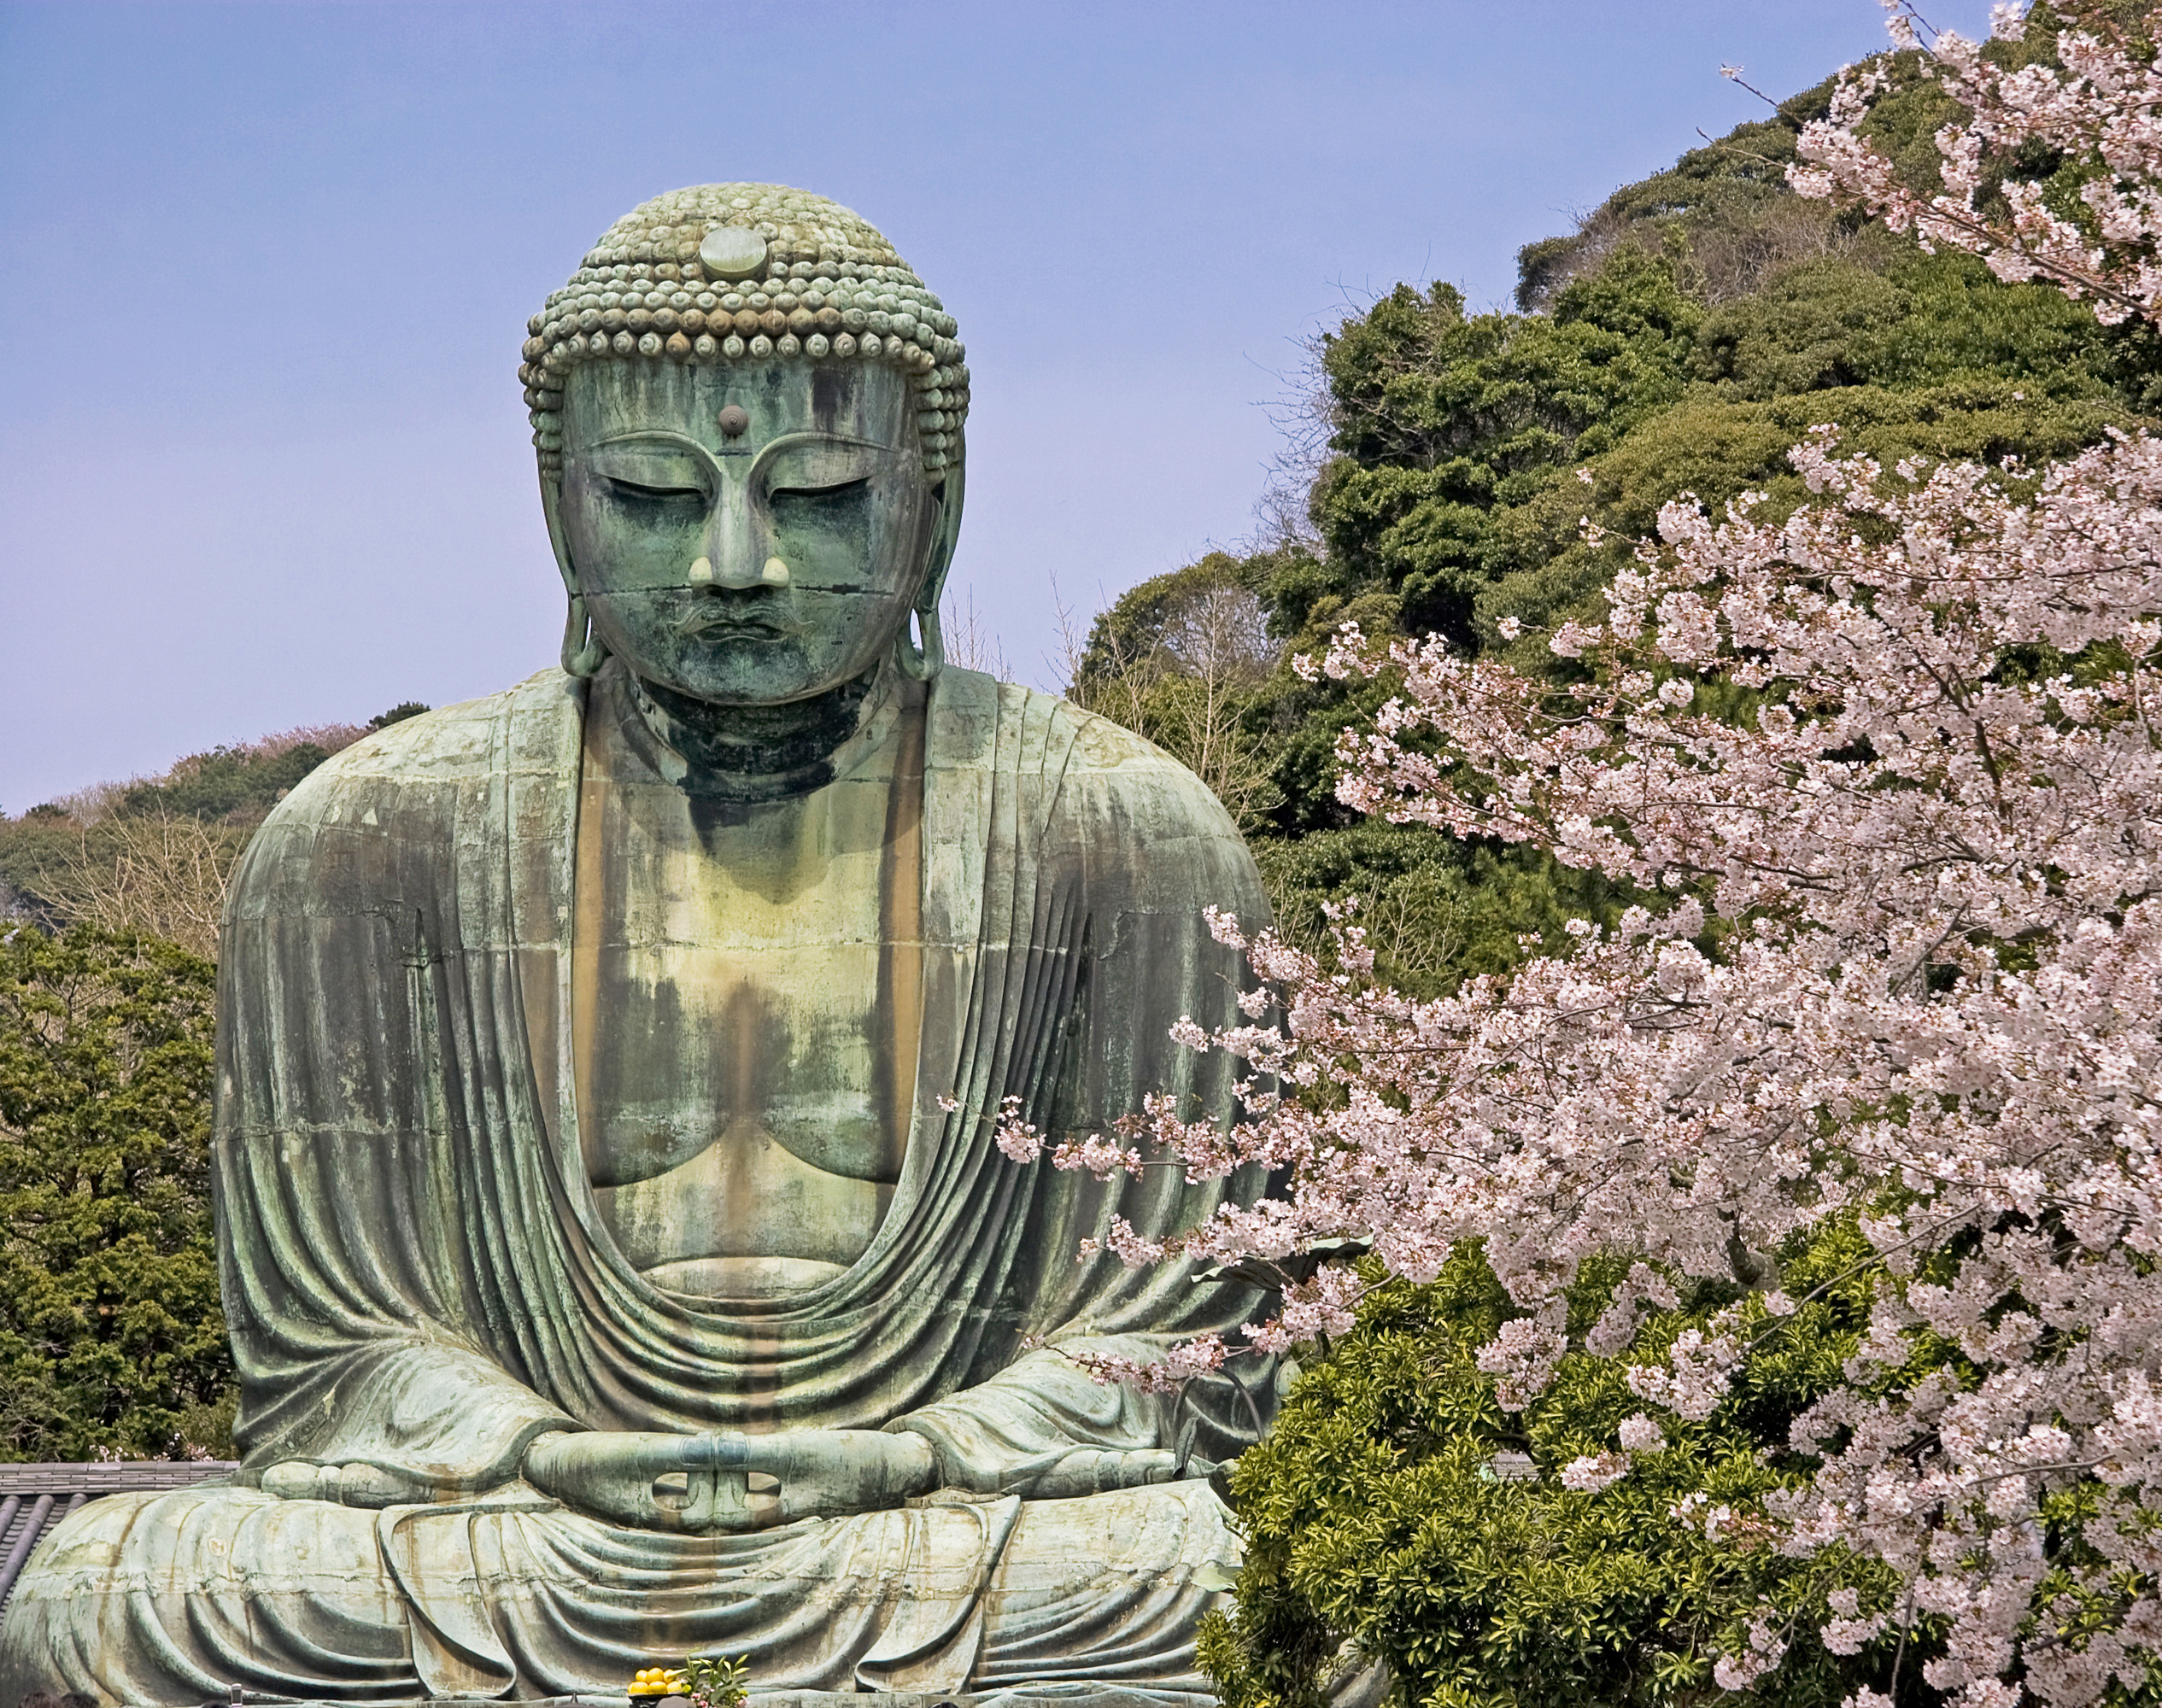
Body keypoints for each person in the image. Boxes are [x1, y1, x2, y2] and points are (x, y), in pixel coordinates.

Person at [0, 184, 1274, 1707]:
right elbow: (333, 1354)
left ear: (934, 504)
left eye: (819, 496)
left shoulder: (1124, 832)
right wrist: (539, 1449)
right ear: (560, 510)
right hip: (528, 1526)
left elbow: (1181, 1345)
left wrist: (919, 1453)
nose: (736, 565)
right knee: (100, 1596)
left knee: (1242, 1577)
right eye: (656, 498)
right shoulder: (366, 840)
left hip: (949, 1523)